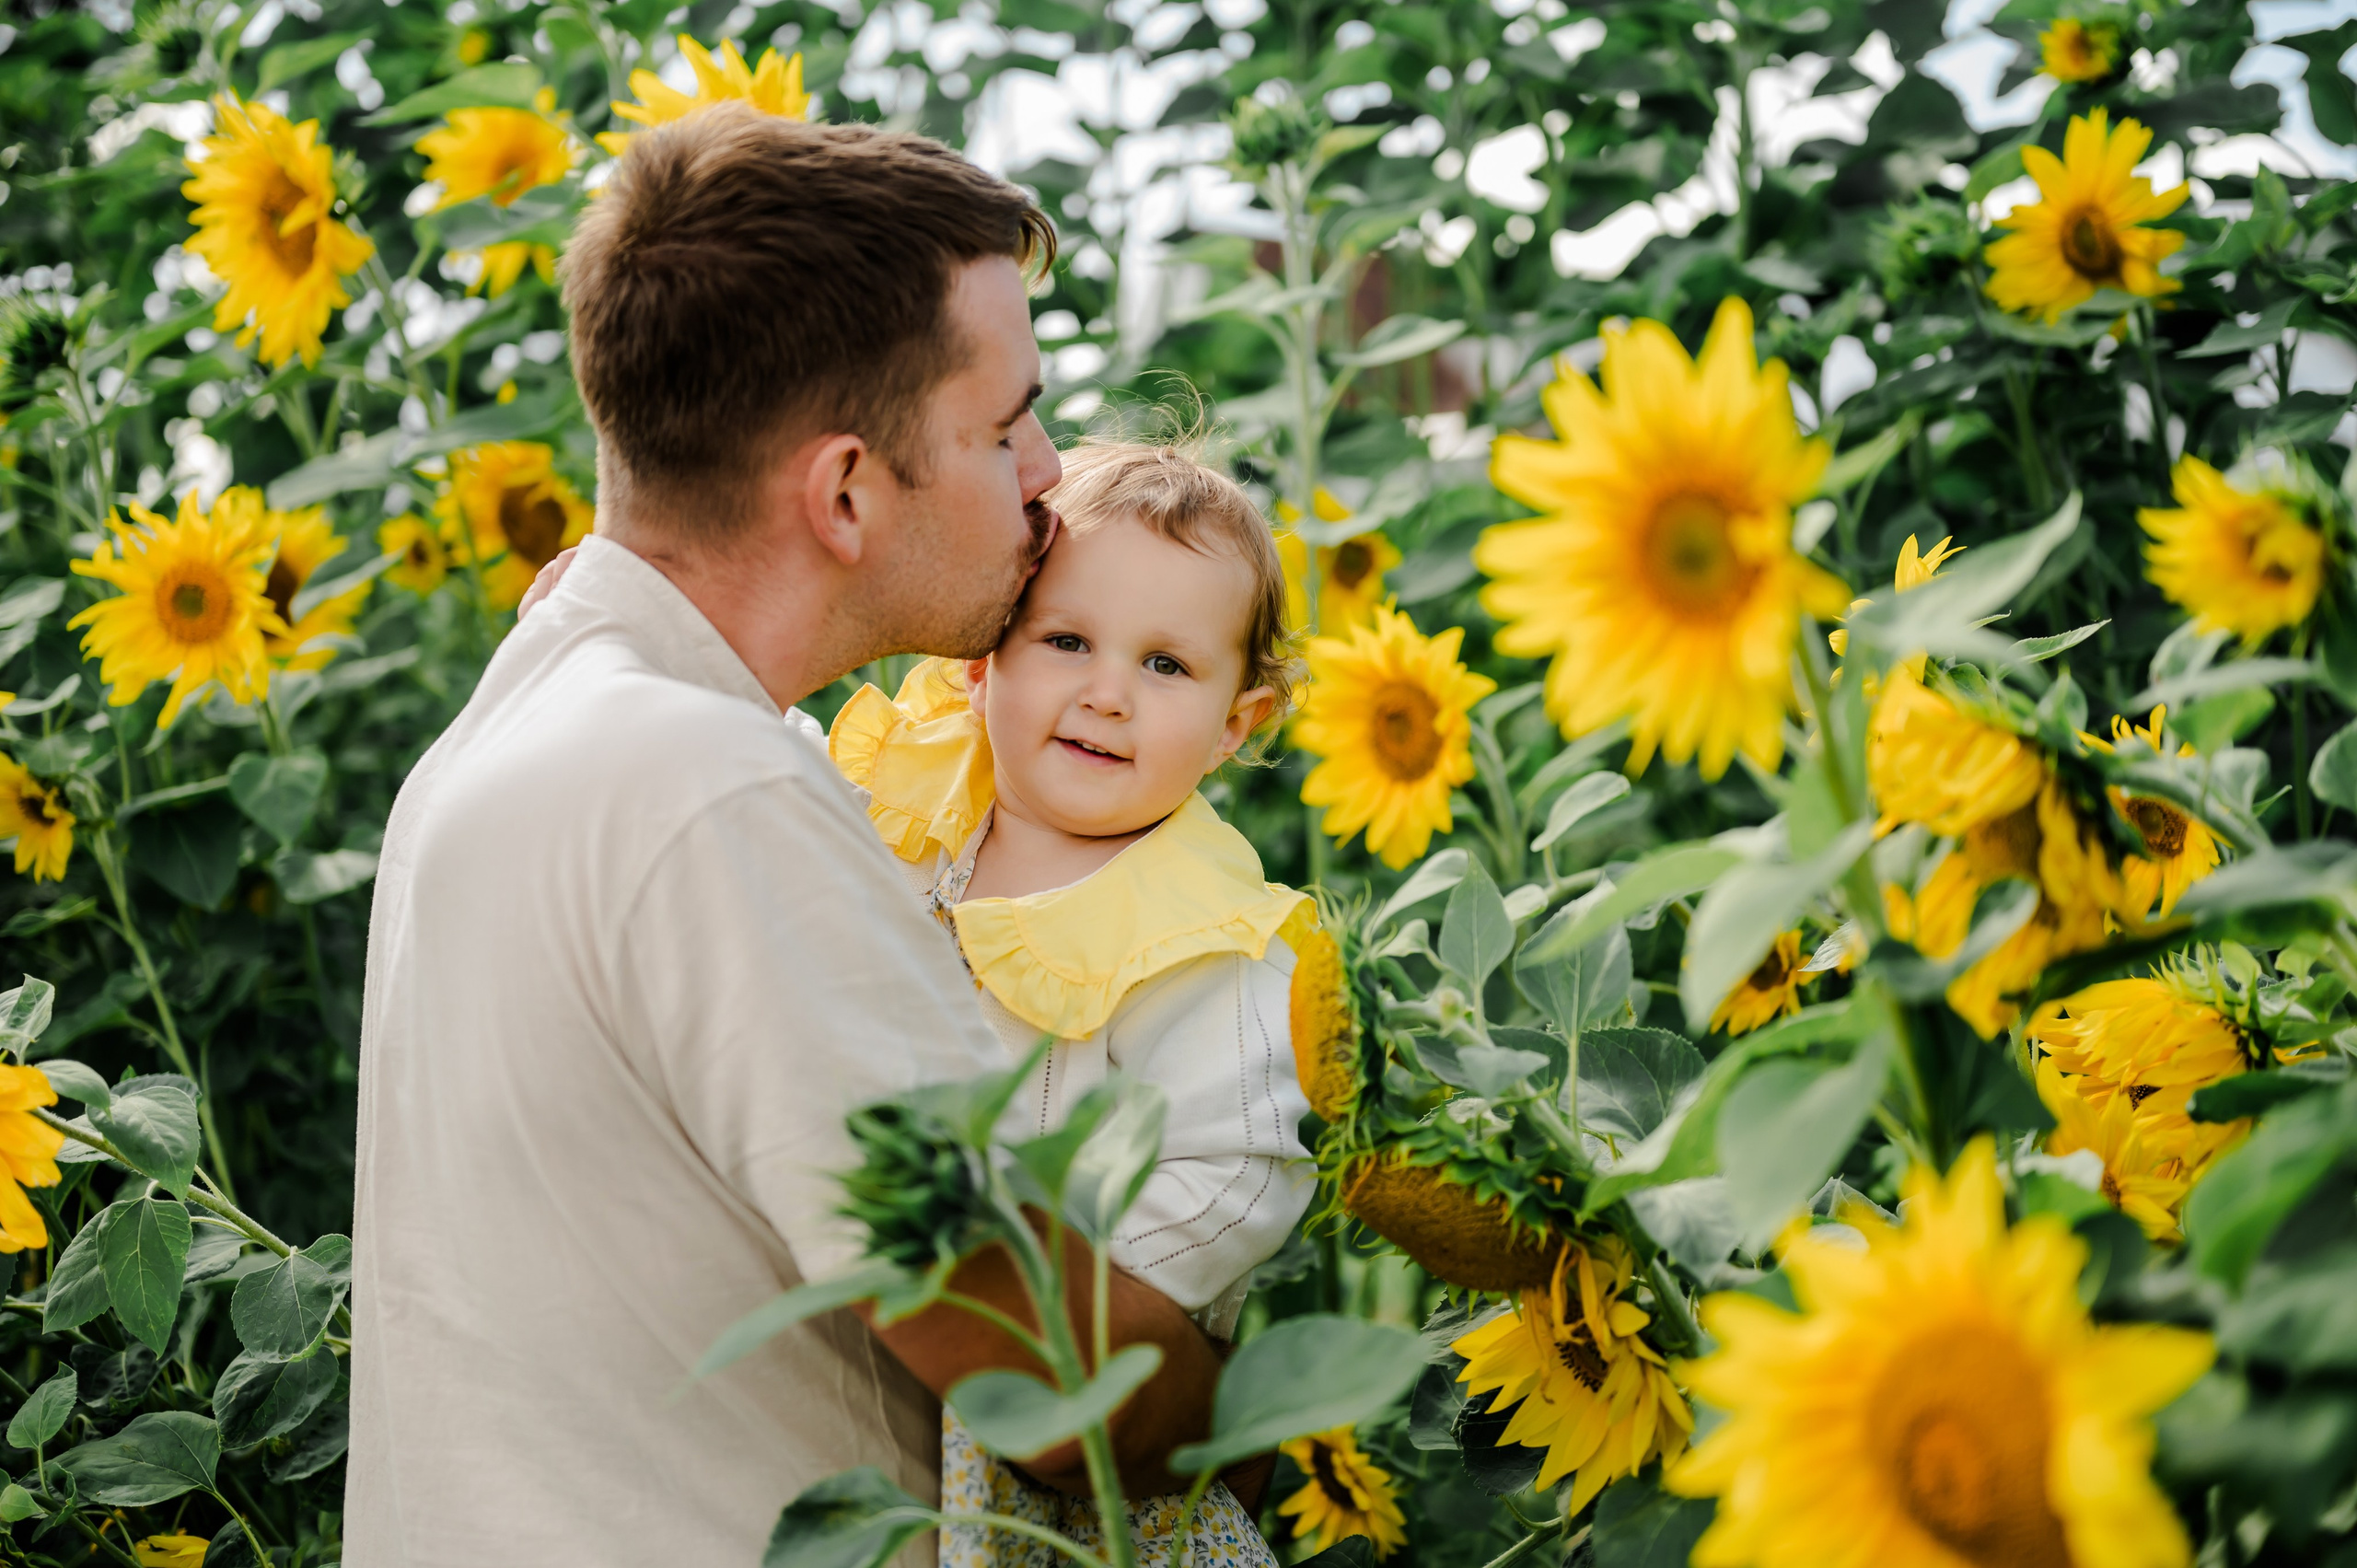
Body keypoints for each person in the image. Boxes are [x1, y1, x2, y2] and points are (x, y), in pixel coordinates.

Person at [346, 105, 1226, 1566]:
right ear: (842, 491)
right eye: (1004, 423)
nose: (1047, 475)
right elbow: (1066, 1381)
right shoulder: (712, 790)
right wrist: (1279, 1382)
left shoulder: (515, 728)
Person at [827, 440, 1316, 1567]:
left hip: (1084, 1463)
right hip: (883, 1375)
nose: (1107, 692)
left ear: (1235, 725)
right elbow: (764, 822)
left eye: (1165, 666)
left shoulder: (1209, 940)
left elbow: (1239, 1166)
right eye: (1066, 641)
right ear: (978, 662)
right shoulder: (913, 809)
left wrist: (1062, 1267)